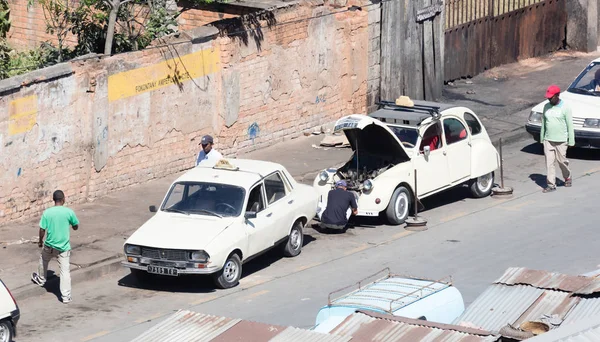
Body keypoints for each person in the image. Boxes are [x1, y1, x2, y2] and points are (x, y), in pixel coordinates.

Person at [31, 190, 80, 304]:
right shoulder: (69, 212)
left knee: (43, 260)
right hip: (63, 248)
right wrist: (73, 226)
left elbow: (42, 229)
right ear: (63, 199)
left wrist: (40, 241)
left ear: (53, 200)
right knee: (65, 272)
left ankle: (41, 279)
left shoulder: (47, 212)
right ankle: (66, 297)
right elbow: (76, 226)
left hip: (49, 246)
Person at [540, 85, 575, 193]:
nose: (549, 99)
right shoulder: (546, 107)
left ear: (557, 95)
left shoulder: (565, 107)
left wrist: (571, 140)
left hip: (561, 140)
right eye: (548, 97)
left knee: (561, 161)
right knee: (549, 163)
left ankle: (567, 177)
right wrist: (542, 138)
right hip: (548, 140)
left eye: (551, 97)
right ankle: (551, 184)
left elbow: (570, 124)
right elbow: (544, 123)